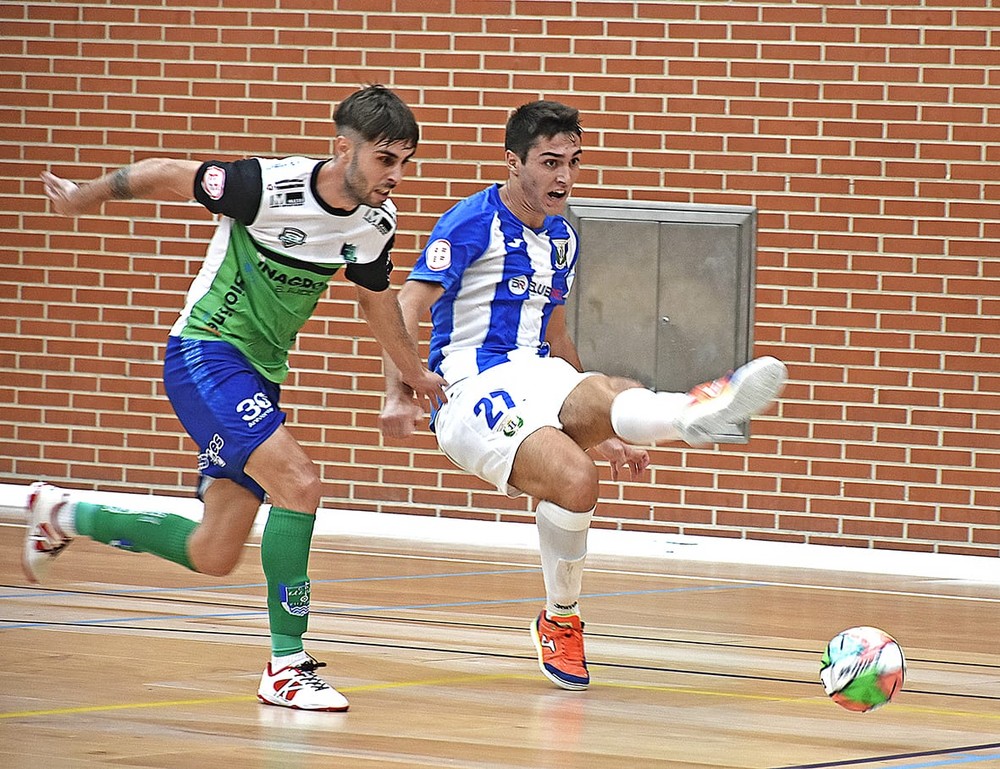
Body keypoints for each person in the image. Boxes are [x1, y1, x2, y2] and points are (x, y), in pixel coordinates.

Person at [24, 84, 447, 712]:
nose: (398, 175)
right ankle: (287, 663)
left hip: (259, 375)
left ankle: (62, 516)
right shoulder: (265, 186)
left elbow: (378, 304)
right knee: (300, 483)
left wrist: (414, 374)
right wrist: (83, 197)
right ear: (344, 149)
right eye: (386, 159)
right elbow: (169, 174)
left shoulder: (374, 224)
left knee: (214, 552)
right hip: (204, 353)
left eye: (406, 162)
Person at [380, 100, 787, 692]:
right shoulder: (471, 222)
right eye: (549, 162)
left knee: (611, 391)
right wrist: (399, 390)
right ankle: (562, 619)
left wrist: (608, 428)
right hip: (471, 388)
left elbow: (558, 335)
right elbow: (403, 306)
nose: (564, 176)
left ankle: (696, 412)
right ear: (513, 163)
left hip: (537, 371)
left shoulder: (564, 238)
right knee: (578, 480)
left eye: (573, 161)